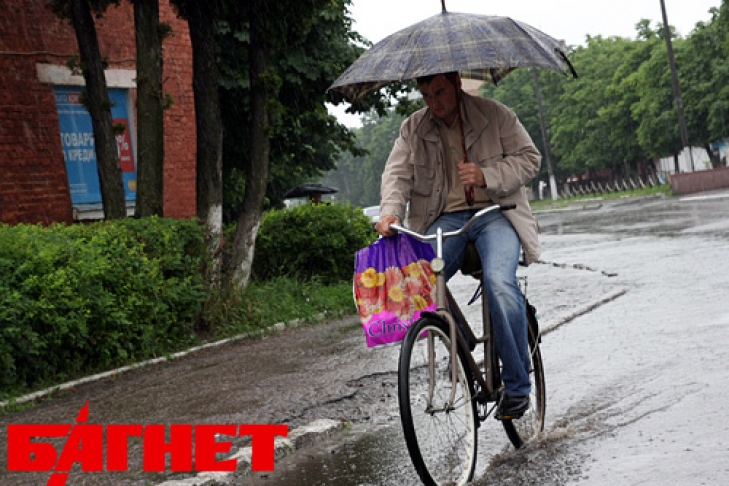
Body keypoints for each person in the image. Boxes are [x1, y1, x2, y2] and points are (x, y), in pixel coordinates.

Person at [374, 71, 541, 419]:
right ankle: (461, 344)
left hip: (495, 214)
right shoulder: (413, 128)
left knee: (499, 283)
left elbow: (529, 158)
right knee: (416, 280)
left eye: (440, 92)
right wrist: (390, 213)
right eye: (426, 96)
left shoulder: (495, 114)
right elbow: (397, 175)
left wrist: (486, 175)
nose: (434, 102)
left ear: (456, 84)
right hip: (446, 221)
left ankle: (518, 386)